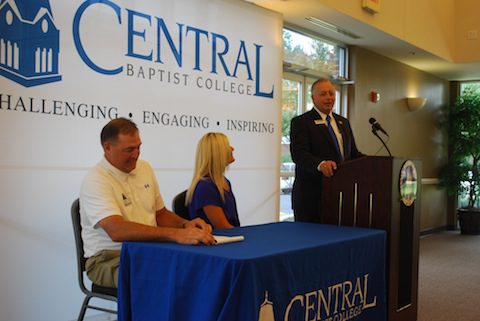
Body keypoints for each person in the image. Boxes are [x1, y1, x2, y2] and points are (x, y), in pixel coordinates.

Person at [79, 118, 215, 288]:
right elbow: (116, 230)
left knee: (201, 266)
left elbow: (160, 214)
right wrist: (175, 234)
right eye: (129, 149)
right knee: (167, 279)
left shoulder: (144, 168)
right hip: (109, 258)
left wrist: (185, 225)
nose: (136, 154)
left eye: (138, 147)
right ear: (107, 147)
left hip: (150, 250)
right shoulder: (96, 179)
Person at [289, 78, 364, 223]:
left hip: (340, 196)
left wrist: (372, 162)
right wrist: (320, 164)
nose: (329, 98)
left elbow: (352, 153)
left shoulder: (343, 122)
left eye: (331, 94)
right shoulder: (301, 122)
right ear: (313, 98)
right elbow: (299, 154)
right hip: (311, 197)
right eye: (323, 94)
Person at [186, 132, 240, 229]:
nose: (232, 149)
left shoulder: (224, 182)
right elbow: (223, 228)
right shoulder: (205, 187)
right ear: (218, 153)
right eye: (227, 146)